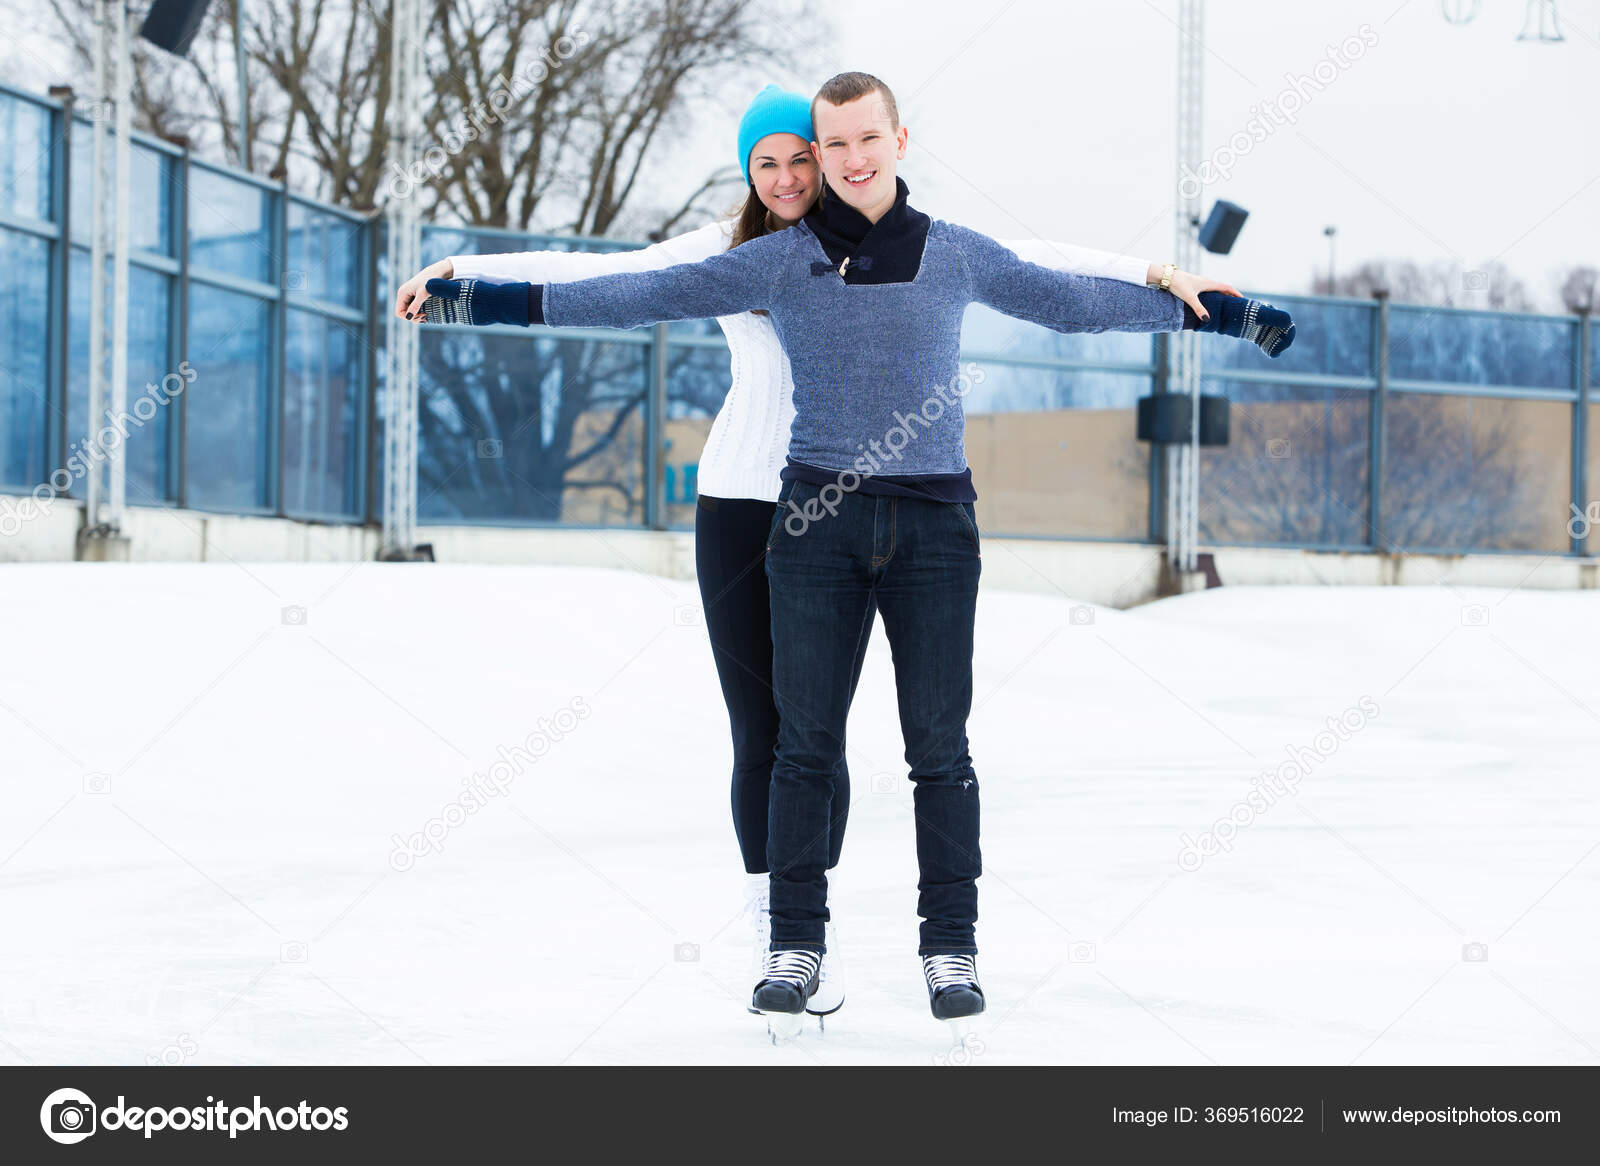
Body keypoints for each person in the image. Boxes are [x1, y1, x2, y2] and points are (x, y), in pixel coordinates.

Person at [407, 73, 1292, 1038]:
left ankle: (948, 945)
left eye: (848, 143)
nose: (828, 163)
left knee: (938, 748)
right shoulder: (767, 257)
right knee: (796, 745)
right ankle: (790, 943)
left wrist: (1199, 300)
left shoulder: (949, 251)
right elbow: (630, 290)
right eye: (809, 151)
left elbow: (1062, 292)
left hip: (930, 526)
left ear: (896, 141)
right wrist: (470, 291)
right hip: (800, 517)